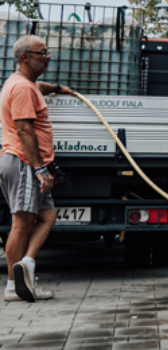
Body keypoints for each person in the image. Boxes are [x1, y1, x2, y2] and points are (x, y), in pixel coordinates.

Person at [2, 35, 75, 302]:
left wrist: (57, 88)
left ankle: (27, 265)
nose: (48, 57)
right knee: (21, 223)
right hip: (24, 162)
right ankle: (12, 287)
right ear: (25, 57)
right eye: (42, 52)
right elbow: (24, 130)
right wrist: (40, 169)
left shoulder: (25, 84)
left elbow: (37, 88)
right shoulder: (22, 89)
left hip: (27, 164)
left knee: (47, 216)